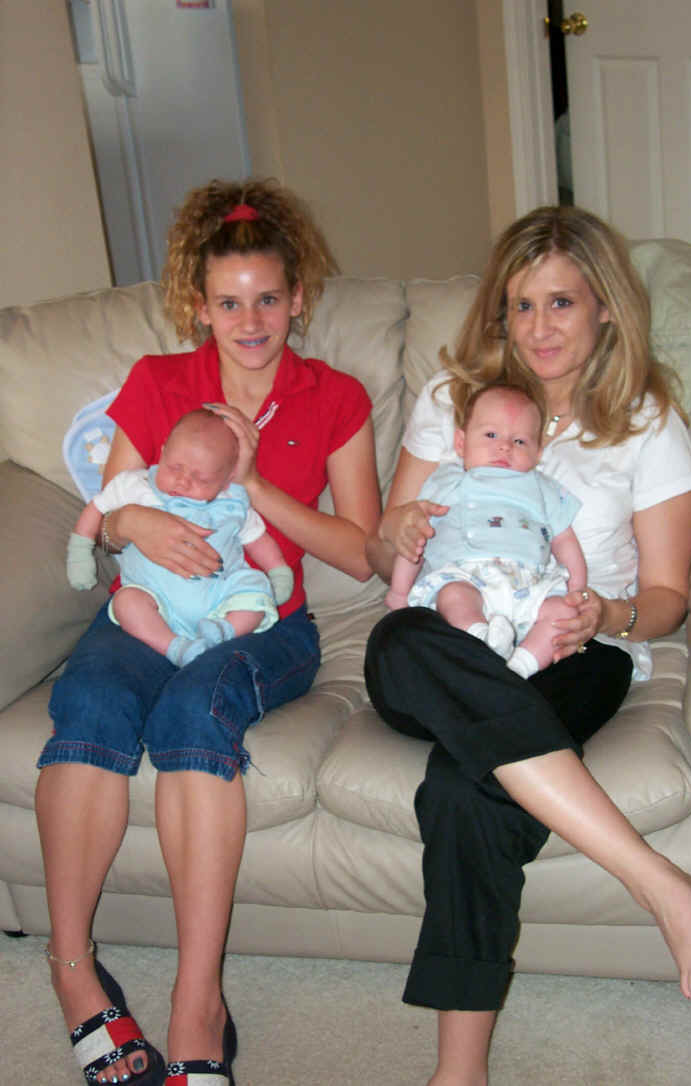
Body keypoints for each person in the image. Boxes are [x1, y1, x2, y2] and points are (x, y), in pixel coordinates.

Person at [364, 204, 691, 1086]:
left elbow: (668, 596)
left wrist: (603, 614)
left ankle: (458, 1073)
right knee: (402, 638)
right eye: (521, 305)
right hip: (445, 637)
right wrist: (397, 531)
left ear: (605, 305)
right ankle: (658, 881)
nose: (539, 329)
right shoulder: (453, 401)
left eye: (561, 303)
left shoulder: (645, 421)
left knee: (466, 787)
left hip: (572, 647)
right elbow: (384, 550)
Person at [36, 178, 381, 1086]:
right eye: (229, 303)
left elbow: (361, 552)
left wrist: (255, 483)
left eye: (267, 299)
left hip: (261, 620)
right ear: (200, 305)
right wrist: (138, 523)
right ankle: (72, 970)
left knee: (195, 713)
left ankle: (199, 1000)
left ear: (297, 298)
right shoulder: (159, 383)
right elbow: (110, 515)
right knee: (91, 700)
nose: (250, 320)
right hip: (146, 605)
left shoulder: (335, 395)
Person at [67, 408, 293, 667]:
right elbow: (96, 509)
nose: (182, 482)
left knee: (256, 590)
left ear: (226, 480)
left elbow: (258, 540)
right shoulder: (134, 486)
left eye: (201, 478)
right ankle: (174, 647)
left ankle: (223, 631)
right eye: (174, 467)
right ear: (163, 453)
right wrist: (79, 552)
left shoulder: (232, 503)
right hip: (154, 599)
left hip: (220, 598)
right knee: (126, 602)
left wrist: (278, 572)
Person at [387, 383, 586, 678]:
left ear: (537, 453)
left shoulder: (544, 489)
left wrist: (577, 592)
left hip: (529, 583)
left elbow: (565, 541)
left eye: (519, 441)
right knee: (453, 596)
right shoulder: (447, 483)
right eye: (491, 435)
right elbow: (414, 539)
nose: (504, 446)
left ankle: (520, 667)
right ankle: (480, 638)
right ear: (461, 443)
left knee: (561, 615)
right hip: (468, 577)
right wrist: (399, 591)